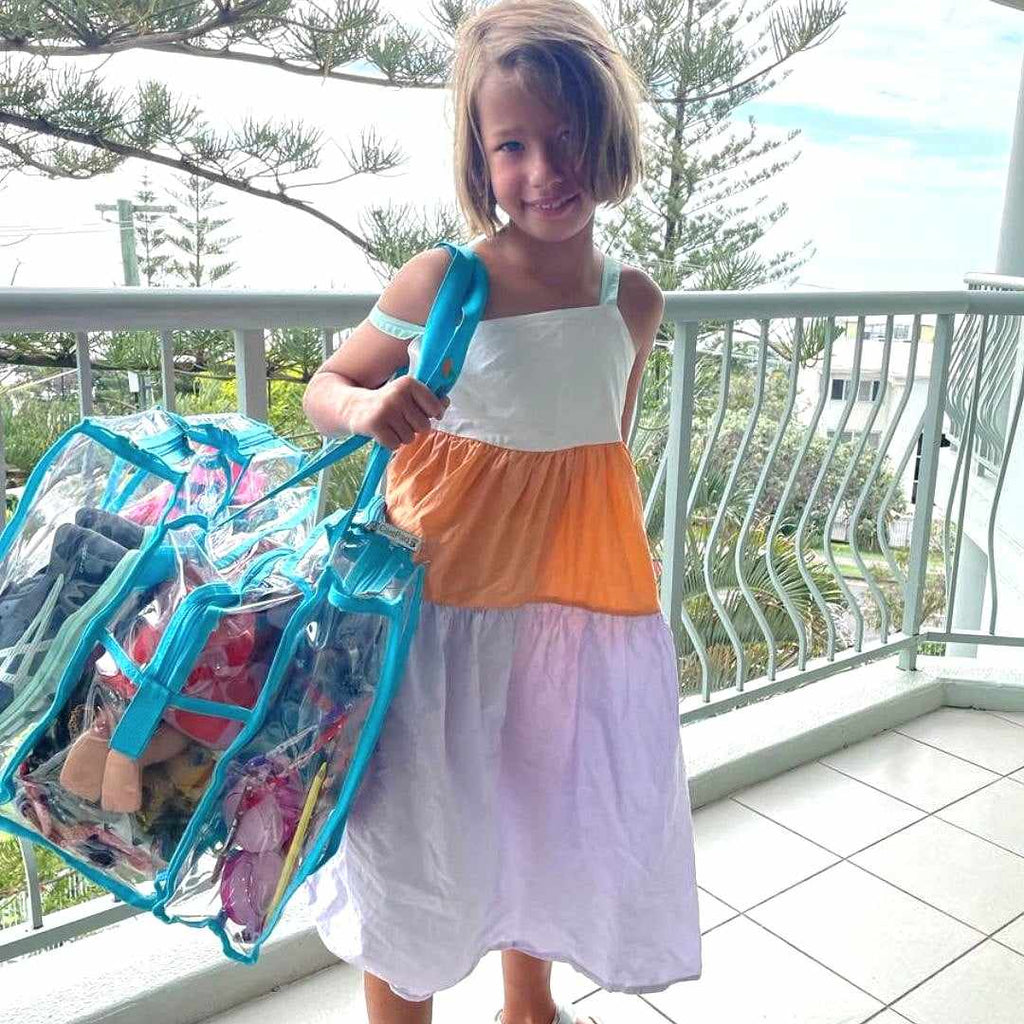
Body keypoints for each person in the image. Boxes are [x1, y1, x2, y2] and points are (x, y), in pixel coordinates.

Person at [301, 2, 702, 1021]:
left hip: (568, 618)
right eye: (511, 144)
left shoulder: (633, 300)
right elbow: (326, 386)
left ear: (607, 136)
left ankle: (532, 1007)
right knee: (412, 843)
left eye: (564, 137)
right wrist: (366, 404)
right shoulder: (449, 279)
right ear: (480, 160)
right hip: (434, 619)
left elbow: (595, 449)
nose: (542, 167)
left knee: (545, 821)